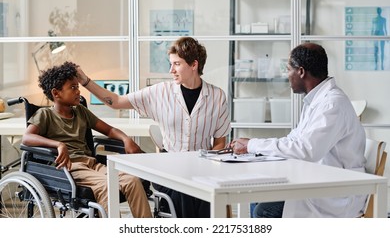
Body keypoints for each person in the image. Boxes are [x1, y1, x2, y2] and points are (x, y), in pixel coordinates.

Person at [76, 36, 231, 217]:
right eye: (170, 63)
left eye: (176, 64)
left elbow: (220, 142)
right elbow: (116, 101)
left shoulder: (217, 97)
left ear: (194, 65)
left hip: (202, 168)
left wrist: (207, 167)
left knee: (210, 194)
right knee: (185, 192)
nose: (171, 70)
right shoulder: (160, 92)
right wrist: (85, 81)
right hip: (168, 168)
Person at [231, 43, 367, 218]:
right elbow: (294, 140)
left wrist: (252, 145)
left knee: (263, 211)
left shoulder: (332, 104)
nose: (286, 75)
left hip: (335, 194)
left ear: (301, 72)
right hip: (317, 180)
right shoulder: (315, 100)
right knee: (257, 194)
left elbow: (306, 150)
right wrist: (254, 147)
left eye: (288, 69)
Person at [22, 61, 152, 218]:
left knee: (132, 181)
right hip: (70, 168)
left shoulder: (81, 111)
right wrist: (58, 145)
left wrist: (126, 139)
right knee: (106, 186)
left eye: (78, 87)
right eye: (73, 87)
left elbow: (109, 129)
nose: (78, 92)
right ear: (56, 93)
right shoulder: (45, 115)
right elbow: (27, 138)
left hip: (92, 164)